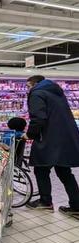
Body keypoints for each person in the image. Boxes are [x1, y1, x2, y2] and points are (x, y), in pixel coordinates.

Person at [24, 75, 79, 216]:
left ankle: (45, 202)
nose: (27, 90)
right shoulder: (56, 92)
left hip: (49, 138)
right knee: (64, 172)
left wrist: (29, 134)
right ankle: (76, 206)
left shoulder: (37, 93)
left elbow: (39, 118)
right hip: (65, 137)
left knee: (41, 169)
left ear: (34, 84)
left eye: (28, 86)